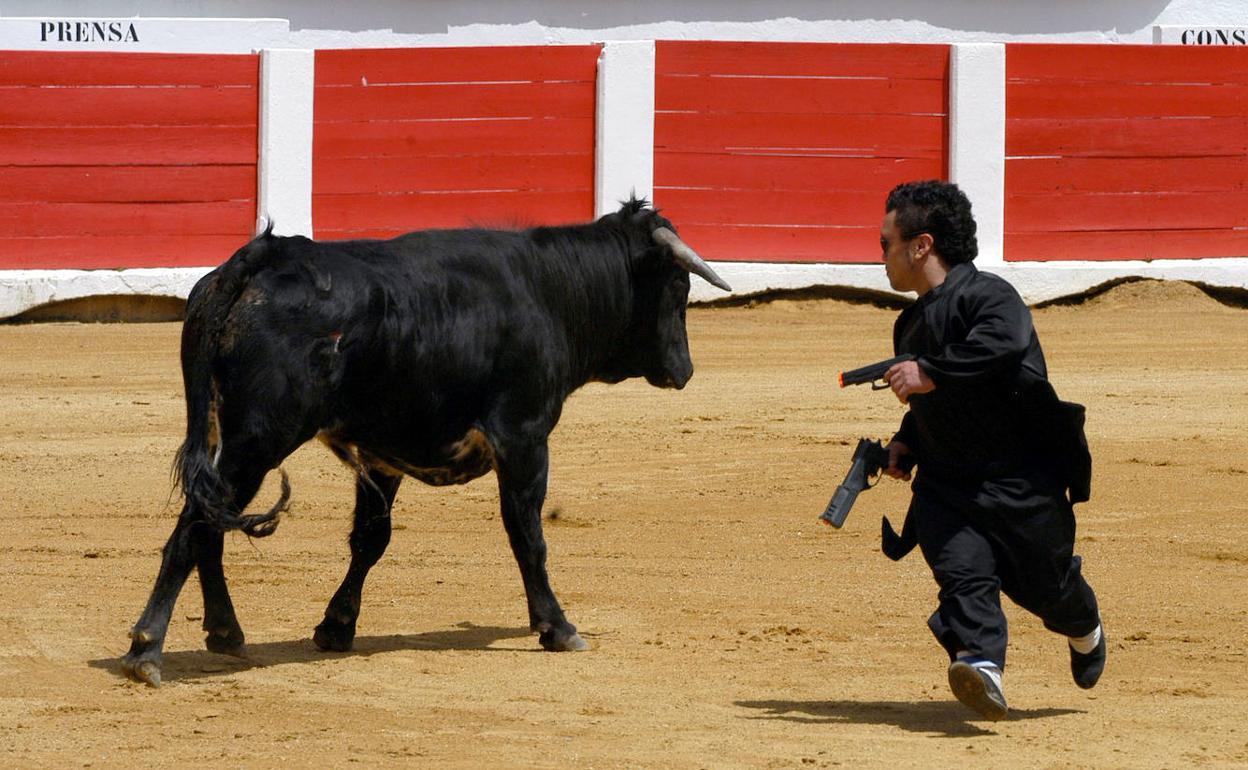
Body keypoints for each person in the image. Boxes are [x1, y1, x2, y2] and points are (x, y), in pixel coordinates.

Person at [873, 180, 1105, 721]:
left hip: (1020, 480)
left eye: (886, 243)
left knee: (1048, 589)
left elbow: (1000, 346)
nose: (879, 255)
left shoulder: (991, 297)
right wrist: (908, 439)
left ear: (921, 246)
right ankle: (980, 666)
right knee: (963, 574)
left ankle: (1084, 626)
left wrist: (928, 371)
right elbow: (938, 401)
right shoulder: (909, 322)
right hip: (949, 483)